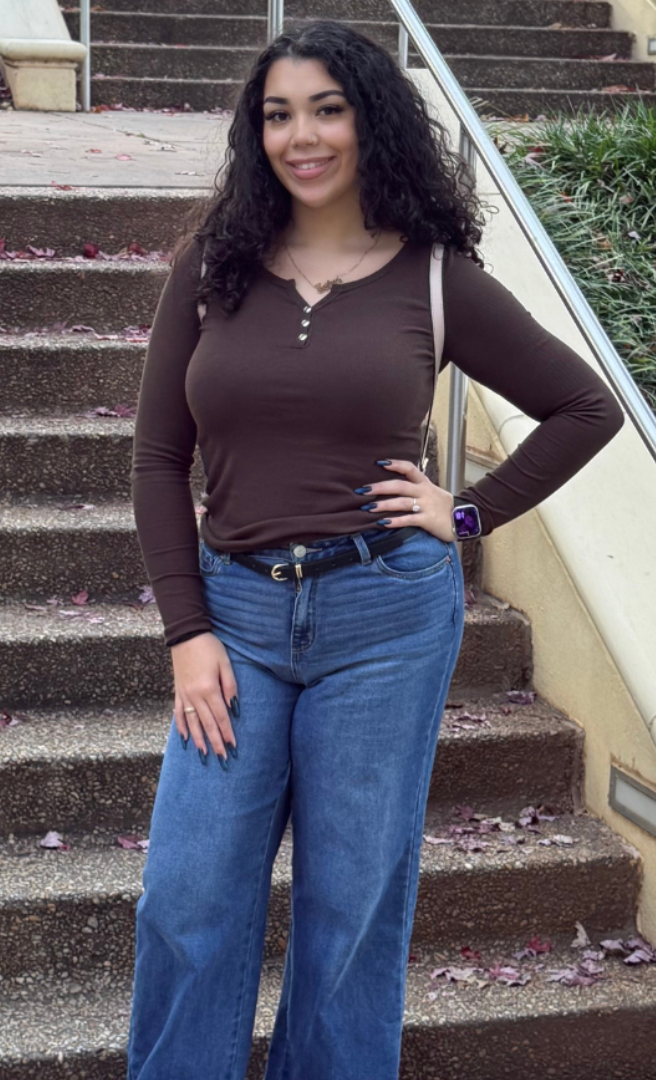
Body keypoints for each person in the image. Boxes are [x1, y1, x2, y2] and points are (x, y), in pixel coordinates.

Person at [125, 19, 624, 1080]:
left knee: (351, 905)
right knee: (187, 894)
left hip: (384, 619)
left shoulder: (434, 279)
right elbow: (159, 458)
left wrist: (468, 513)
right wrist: (186, 631)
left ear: (372, 121)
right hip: (235, 616)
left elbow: (586, 407)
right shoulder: (212, 268)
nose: (300, 136)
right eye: (277, 115)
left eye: (327, 109)